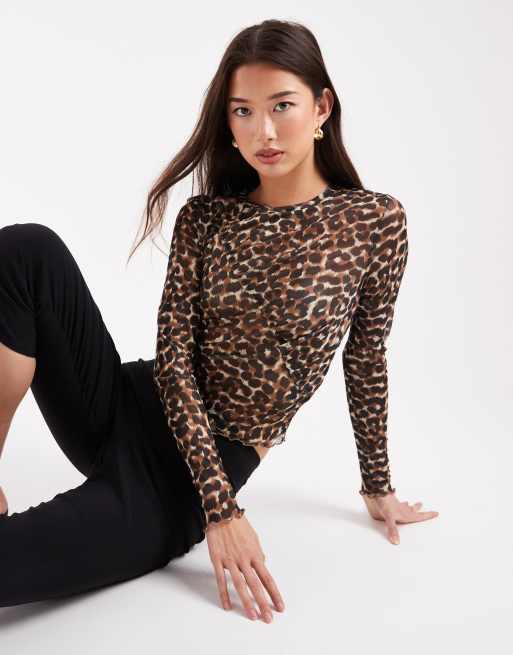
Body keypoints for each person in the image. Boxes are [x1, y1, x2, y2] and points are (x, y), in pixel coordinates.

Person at [0, 18, 438, 620]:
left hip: (184, 477)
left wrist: (376, 485)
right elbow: (174, 359)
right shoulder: (206, 218)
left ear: (321, 107)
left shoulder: (375, 222)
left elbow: (366, 355)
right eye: (242, 112)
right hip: (123, 406)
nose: (263, 131)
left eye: (281, 105)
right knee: (27, 249)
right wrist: (224, 511)